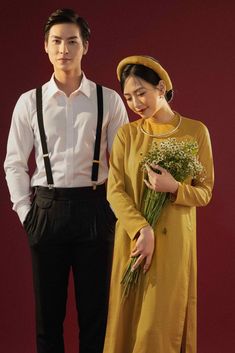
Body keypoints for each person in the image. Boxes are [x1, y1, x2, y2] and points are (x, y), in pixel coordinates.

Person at [4, 8, 128, 353]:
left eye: (72, 41)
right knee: (48, 320)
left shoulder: (109, 101)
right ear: (45, 46)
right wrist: (26, 214)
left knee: (96, 318)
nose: (64, 49)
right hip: (45, 210)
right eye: (56, 41)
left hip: (96, 210)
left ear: (85, 46)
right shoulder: (30, 102)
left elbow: (122, 165)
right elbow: (14, 162)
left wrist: (114, 214)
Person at [103, 55, 214, 353]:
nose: (136, 103)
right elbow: (114, 191)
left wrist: (175, 188)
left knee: (159, 324)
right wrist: (142, 230)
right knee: (127, 319)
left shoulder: (195, 131)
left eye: (141, 93)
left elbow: (205, 192)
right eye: (128, 97)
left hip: (175, 243)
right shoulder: (127, 135)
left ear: (161, 87)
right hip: (134, 242)